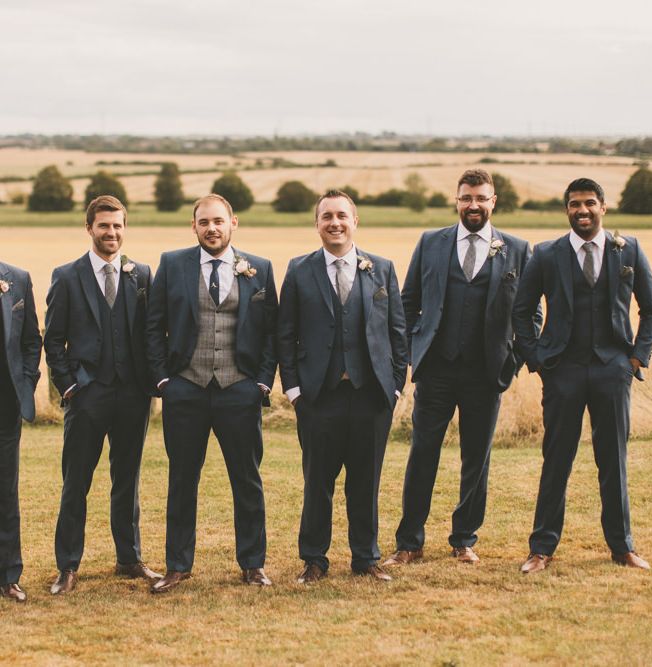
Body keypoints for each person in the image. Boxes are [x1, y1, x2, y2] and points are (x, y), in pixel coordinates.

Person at [384, 169, 538, 567]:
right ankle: (409, 541)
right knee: (423, 454)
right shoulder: (431, 242)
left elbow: (529, 312)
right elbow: (408, 302)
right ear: (457, 201)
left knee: (477, 458)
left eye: (481, 198)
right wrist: (413, 351)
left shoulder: (517, 249)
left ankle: (464, 538)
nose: (473, 205)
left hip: (487, 373)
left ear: (493, 202)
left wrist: (514, 359)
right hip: (435, 369)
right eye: (466, 197)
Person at [512, 177, 652, 574]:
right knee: (556, 459)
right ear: (567, 210)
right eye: (575, 204)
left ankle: (622, 546)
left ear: (603, 207)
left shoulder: (627, 248)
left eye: (590, 203)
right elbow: (521, 310)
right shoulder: (546, 254)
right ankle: (541, 548)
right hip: (562, 370)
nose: (583, 211)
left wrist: (635, 360)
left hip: (613, 369)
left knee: (613, 459)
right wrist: (538, 359)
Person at [146, 193, 277, 592]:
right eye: (204, 222)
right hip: (186, 388)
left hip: (240, 389)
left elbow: (272, 330)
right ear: (194, 226)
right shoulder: (172, 264)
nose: (212, 228)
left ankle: (253, 563)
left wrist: (262, 382)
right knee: (182, 478)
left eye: (218, 221)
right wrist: (164, 381)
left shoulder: (260, 268)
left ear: (232, 222)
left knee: (247, 479)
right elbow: (154, 326)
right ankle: (178, 565)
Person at [278, 189, 408, 583]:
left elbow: (397, 331)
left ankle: (365, 557)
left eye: (341, 216)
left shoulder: (380, 269)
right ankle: (314, 558)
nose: (335, 223)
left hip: (371, 396)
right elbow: (286, 334)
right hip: (318, 397)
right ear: (317, 224)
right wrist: (294, 390)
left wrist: (396, 386)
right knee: (318, 480)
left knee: (365, 481)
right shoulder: (300, 270)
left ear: (355, 221)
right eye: (326, 216)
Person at [44, 195, 159, 595]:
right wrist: (71, 386)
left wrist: (151, 385)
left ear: (125, 228)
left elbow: (150, 334)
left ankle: (129, 559)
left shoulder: (140, 274)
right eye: (104, 225)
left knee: (126, 479)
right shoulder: (67, 275)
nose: (112, 232)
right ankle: (68, 566)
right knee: (76, 481)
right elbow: (53, 340)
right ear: (89, 227)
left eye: (118, 226)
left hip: (132, 395)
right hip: (87, 396)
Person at [0, 262, 41, 603]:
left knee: (6, 493)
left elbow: (31, 340)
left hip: (5, 407)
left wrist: (26, 385)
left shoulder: (17, 279)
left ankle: (8, 576)